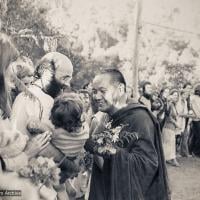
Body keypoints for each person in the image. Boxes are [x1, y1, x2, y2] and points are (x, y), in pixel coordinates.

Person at [85, 69, 170, 200]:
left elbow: (147, 165)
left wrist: (106, 150)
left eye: (103, 91)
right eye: (94, 92)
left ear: (120, 89)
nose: (96, 96)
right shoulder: (106, 117)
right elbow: (98, 157)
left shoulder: (140, 118)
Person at [162, 89, 180, 167]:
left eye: (177, 95)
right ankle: (173, 159)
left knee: (170, 143)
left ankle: (167, 158)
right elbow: (168, 117)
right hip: (168, 126)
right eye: (174, 95)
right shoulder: (169, 104)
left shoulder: (173, 104)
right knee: (170, 143)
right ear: (170, 95)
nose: (176, 96)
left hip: (171, 127)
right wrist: (176, 124)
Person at [188, 85, 200, 157]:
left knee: (195, 136)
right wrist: (197, 115)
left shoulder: (198, 98)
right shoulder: (193, 98)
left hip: (198, 118)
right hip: (196, 119)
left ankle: (193, 151)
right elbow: (193, 107)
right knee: (197, 135)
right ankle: (194, 151)